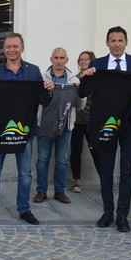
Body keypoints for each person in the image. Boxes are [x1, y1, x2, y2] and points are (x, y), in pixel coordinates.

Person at [79, 26, 131, 232]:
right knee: (105, 169)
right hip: (105, 124)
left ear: (126, 42)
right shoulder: (97, 64)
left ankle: (123, 215)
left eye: (120, 40)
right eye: (112, 41)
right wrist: (85, 75)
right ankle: (107, 212)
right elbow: (81, 92)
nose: (116, 44)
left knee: (126, 171)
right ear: (107, 43)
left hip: (130, 124)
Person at [0, 33, 54, 225]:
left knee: (25, 173)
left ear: (22, 48)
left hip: (24, 130)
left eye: (15, 46)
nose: (11, 50)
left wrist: (49, 89)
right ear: (4, 49)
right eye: (8, 47)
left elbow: (44, 101)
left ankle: (24, 209)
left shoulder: (33, 71)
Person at [34, 47, 84, 204]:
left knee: (62, 160)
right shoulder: (42, 77)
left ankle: (59, 191)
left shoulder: (74, 81)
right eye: (56, 57)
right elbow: (36, 100)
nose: (59, 61)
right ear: (51, 59)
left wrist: (79, 92)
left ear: (67, 60)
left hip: (65, 125)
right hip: (45, 124)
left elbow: (80, 105)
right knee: (42, 159)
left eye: (62, 58)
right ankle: (41, 191)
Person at [69, 51, 98, 193]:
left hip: (92, 121)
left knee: (96, 151)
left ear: (92, 61)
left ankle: (104, 180)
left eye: (86, 59)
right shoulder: (75, 79)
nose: (83, 61)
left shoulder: (97, 78)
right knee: (76, 151)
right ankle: (77, 182)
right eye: (80, 59)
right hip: (76, 121)